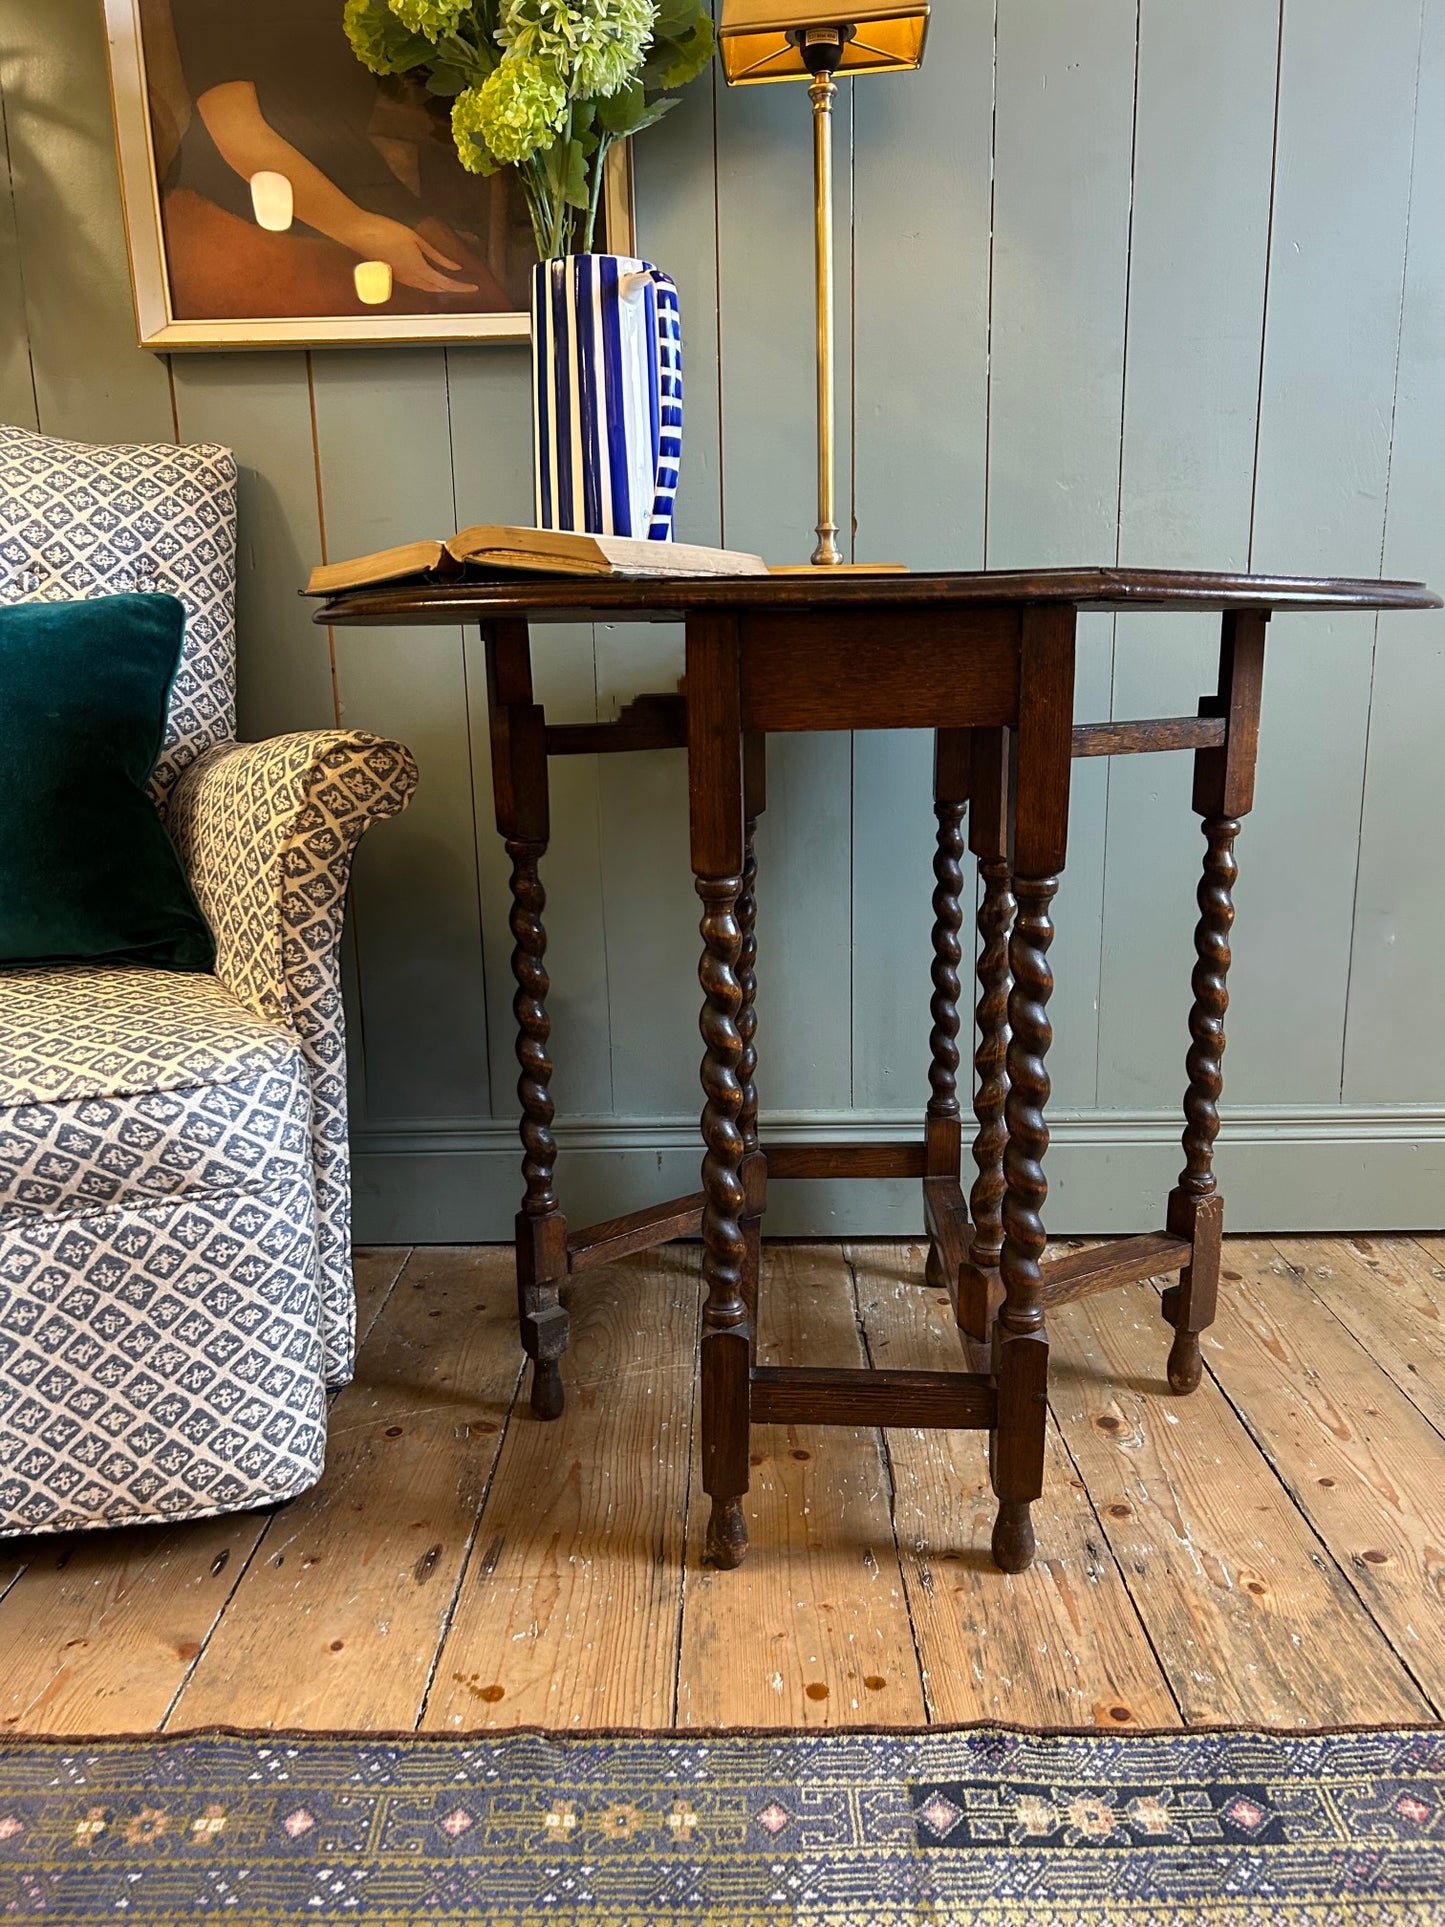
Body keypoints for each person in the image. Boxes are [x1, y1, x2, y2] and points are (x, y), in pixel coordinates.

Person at [150, 0, 521, 319]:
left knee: (482, 308)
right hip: (243, 203)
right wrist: (361, 229)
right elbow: (235, 127)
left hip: (362, 186)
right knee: (467, 315)